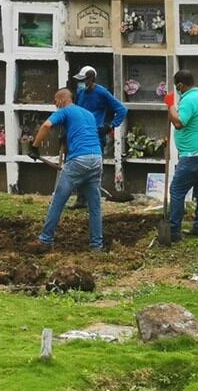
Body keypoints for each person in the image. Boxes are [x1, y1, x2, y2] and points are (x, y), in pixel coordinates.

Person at [28, 88, 103, 253]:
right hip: (96, 158)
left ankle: (45, 240)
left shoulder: (65, 110)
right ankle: (97, 246)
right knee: (95, 206)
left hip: (78, 161)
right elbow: (84, 133)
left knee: (58, 200)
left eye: (55, 101)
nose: (55, 105)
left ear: (62, 100)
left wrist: (35, 147)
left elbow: (46, 125)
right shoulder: (88, 114)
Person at [163, 70, 198, 242]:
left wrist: (170, 105)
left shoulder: (188, 100)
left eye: (176, 87)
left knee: (177, 190)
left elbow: (178, 123)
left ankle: (174, 231)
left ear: (180, 85)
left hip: (194, 154)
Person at [70, 65, 127, 209]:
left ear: (91, 79)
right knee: (79, 165)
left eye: (83, 80)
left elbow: (121, 110)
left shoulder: (102, 93)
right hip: (81, 133)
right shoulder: (80, 92)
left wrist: (110, 126)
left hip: (96, 135)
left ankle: (92, 200)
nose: (81, 83)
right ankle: (80, 199)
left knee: (94, 169)